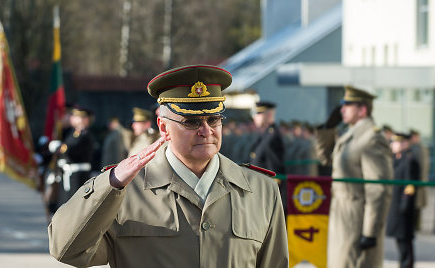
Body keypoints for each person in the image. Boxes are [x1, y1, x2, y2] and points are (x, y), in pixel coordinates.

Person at [48, 64, 289, 267]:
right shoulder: (124, 191)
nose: (206, 131)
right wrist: (109, 184)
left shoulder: (262, 190)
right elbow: (66, 249)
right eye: (192, 121)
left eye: (214, 119)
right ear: (163, 128)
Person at [314, 85, 394, 268]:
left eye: (347, 105)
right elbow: (326, 159)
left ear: (362, 109)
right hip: (342, 218)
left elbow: (378, 190)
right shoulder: (352, 135)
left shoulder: (371, 138)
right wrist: (328, 128)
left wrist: (370, 232)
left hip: (356, 223)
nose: (342, 109)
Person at [386, 132, 420, 268]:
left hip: (403, 208)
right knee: (400, 240)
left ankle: (407, 265)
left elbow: (410, 186)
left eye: (396, 143)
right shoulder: (395, 159)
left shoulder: (409, 161)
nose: (393, 145)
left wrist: (404, 205)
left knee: (405, 241)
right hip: (395, 206)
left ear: (404, 144)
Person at [55, 106, 95, 207]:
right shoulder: (73, 133)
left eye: (77, 117)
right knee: (66, 203)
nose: (73, 118)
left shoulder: (85, 135)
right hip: (69, 174)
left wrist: (61, 148)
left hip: (78, 176)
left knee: (75, 204)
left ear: (85, 120)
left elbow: (71, 150)